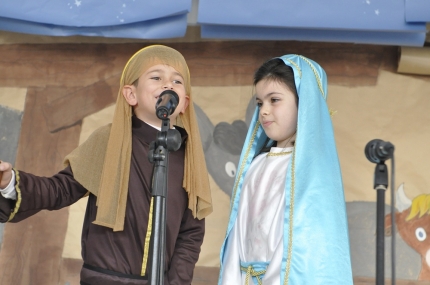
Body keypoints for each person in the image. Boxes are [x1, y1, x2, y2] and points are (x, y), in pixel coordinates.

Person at [0, 45, 212, 285]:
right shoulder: (109, 140)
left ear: (184, 103)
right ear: (130, 94)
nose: (168, 85)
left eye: (177, 81)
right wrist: (9, 183)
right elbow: (60, 189)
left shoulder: (188, 156)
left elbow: (191, 233)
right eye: (156, 77)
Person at [218, 55, 353, 284]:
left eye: (275, 100)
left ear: (305, 103)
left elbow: (299, 245)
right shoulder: (256, 165)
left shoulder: (311, 175)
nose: (264, 111)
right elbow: (237, 236)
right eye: (260, 103)